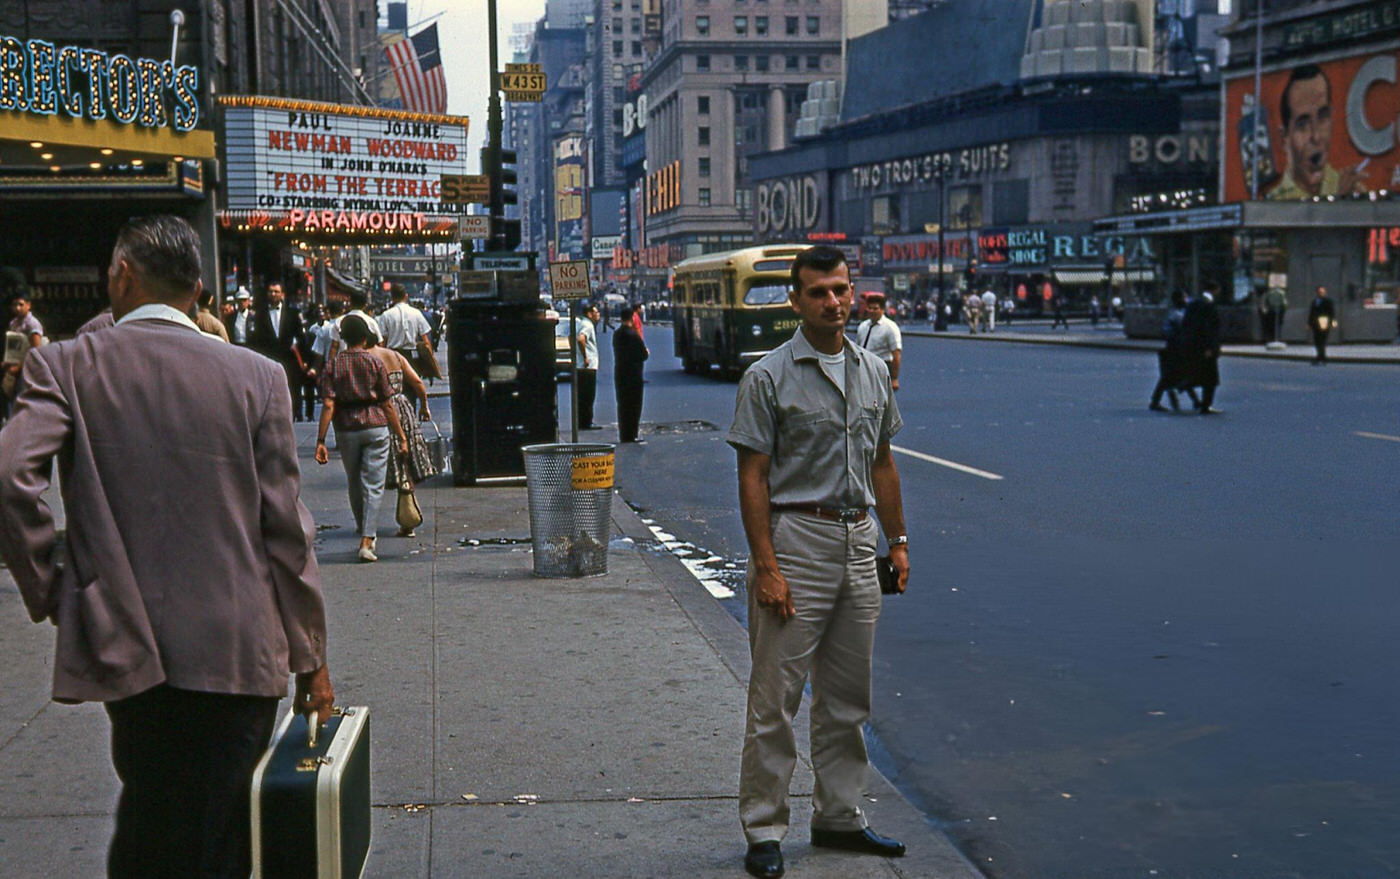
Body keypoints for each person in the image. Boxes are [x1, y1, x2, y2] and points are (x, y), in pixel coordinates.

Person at [0, 214, 333, 878]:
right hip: (241, 646)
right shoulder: (257, 377)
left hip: (130, 642)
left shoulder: (64, 366)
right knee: (215, 830)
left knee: (161, 815)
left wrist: (54, 587)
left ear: (122, 275)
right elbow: (287, 535)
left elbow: (11, 478)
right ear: (200, 287)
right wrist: (312, 657)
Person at [727, 245, 909, 879]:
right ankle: (764, 829)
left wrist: (898, 540)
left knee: (847, 695)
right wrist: (766, 565)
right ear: (795, 301)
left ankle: (839, 817)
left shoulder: (870, 370)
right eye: (819, 293)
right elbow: (753, 476)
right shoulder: (768, 377)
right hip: (796, 539)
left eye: (841, 289)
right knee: (775, 695)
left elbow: (882, 461)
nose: (834, 302)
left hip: (858, 541)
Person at [315, 315, 409, 563]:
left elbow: (327, 404)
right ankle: (368, 538)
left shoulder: (333, 365)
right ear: (366, 337)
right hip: (376, 425)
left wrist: (321, 440)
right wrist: (400, 436)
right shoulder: (374, 363)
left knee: (354, 480)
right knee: (374, 484)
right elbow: (387, 404)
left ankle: (362, 525)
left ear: (343, 338)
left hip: (346, 428)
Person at [1266, 64, 1368, 201]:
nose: (1316, 136)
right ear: (1284, 138)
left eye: (1322, 116)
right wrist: (1340, 207)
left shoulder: (1350, 189)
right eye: (1302, 124)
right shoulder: (1273, 205)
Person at [368, 336, 437, 535]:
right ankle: (408, 516)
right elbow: (417, 382)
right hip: (402, 408)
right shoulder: (396, 356)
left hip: (378, 410)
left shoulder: (366, 358)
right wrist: (424, 406)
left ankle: (367, 524)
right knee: (404, 460)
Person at [252, 281, 310, 421]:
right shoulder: (260, 315)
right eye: (271, 291)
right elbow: (256, 339)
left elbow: (301, 337)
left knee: (292, 386)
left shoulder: (293, 313)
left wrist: (304, 358)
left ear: (282, 294)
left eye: (276, 291)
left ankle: (296, 413)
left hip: (289, 357)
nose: (273, 294)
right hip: (269, 357)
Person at [378, 284, 434, 403]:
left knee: (393, 390)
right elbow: (426, 339)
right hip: (412, 356)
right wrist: (429, 361)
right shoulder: (416, 313)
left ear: (392, 297)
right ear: (406, 296)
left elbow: (382, 342)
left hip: (392, 357)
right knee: (411, 390)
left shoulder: (386, 315)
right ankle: (411, 415)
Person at [1148, 289, 1200, 412]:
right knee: (1179, 375)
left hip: (1175, 349)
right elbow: (1169, 332)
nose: (1187, 300)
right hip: (1175, 350)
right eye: (1185, 297)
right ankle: (1195, 401)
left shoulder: (1177, 313)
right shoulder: (1176, 315)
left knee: (1172, 376)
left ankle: (1157, 401)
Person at [1182, 282, 1223, 414]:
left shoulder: (1193, 304)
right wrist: (1210, 346)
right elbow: (1209, 328)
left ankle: (1196, 398)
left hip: (1193, 345)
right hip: (1206, 347)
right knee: (1210, 378)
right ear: (1215, 290)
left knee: (1198, 373)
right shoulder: (1208, 306)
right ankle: (1206, 404)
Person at [612, 304, 649, 443]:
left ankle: (624, 434)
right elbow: (643, 354)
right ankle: (632, 434)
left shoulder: (617, 334)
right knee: (634, 405)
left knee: (622, 405)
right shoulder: (633, 336)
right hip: (633, 374)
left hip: (620, 372)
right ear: (632, 318)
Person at [855, 293, 903, 391]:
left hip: (881, 368)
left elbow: (896, 355)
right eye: (870, 308)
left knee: (880, 400)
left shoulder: (890, 327)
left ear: (882, 310)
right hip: (864, 367)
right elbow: (857, 349)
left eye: (875, 308)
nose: (872, 311)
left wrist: (894, 378)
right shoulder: (863, 326)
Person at [575, 302, 601, 430]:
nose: (598, 315)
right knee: (588, 395)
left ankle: (582, 421)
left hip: (580, 365)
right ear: (590, 314)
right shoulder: (588, 325)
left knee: (582, 396)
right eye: (596, 312)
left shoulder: (579, 323)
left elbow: (571, 337)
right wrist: (585, 356)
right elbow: (580, 339)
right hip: (587, 366)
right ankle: (587, 422)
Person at [1307, 285, 1336, 365]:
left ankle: (1321, 357)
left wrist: (1332, 322)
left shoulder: (1328, 301)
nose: (1321, 293)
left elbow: (1331, 312)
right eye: (1320, 292)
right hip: (1315, 323)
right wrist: (1309, 323)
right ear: (1317, 293)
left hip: (1324, 322)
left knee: (1322, 340)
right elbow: (1311, 313)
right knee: (1317, 340)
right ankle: (1321, 356)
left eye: (1323, 292)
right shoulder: (1314, 301)